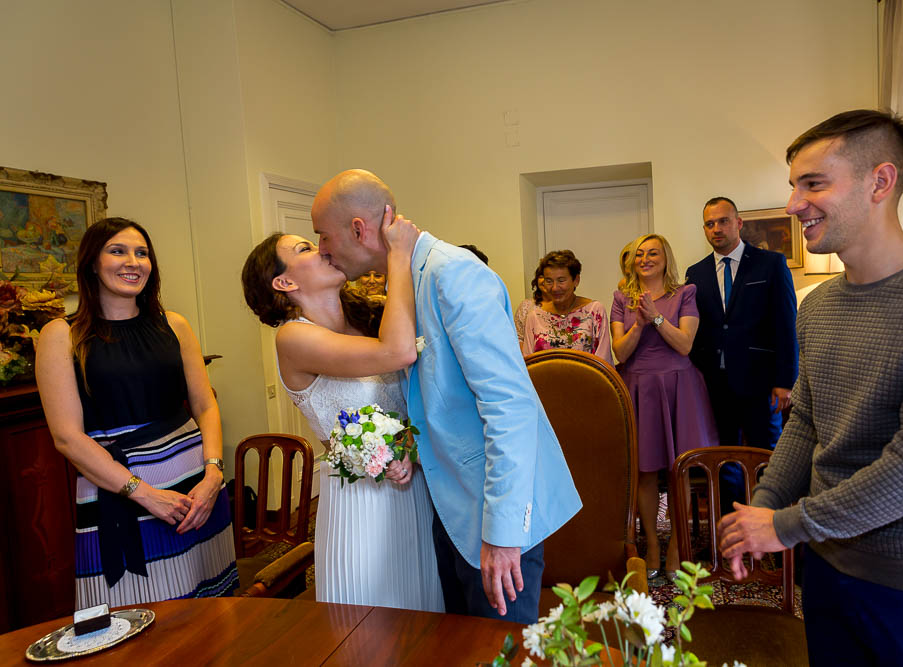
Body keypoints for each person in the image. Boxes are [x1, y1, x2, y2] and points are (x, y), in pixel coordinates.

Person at [718, 110, 903, 665]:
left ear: (880, 181)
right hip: (828, 571)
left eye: (814, 183)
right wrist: (765, 508)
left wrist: (784, 524)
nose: (794, 203)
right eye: (793, 185)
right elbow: (807, 421)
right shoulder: (817, 307)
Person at [312, 169, 581, 624]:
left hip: (494, 516)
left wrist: (500, 534)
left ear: (358, 229)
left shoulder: (453, 273)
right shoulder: (406, 278)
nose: (321, 249)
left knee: (499, 651)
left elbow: (508, 406)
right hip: (451, 507)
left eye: (321, 236)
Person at [240, 210, 444, 612]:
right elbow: (398, 353)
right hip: (359, 505)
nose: (322, 249)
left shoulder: (368, 318)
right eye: (305, 248)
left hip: (411, 488)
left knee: (422, 615)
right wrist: (397, 257)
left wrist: (409, 448)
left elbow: (414, 399)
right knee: (370, 624)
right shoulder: (294, 338)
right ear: (285, 282)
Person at [35, 217, 237, 607]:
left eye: (142, 253)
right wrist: (144, 494)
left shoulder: (173, 324)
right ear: (92, 263)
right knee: (137, 618)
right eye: (118, 251)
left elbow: (204, 404)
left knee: (213, 605)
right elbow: (67, 437)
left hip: (198, 488)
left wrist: (214, 472)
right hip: (121, 493)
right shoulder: (61, 335)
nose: (133, 262)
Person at [610, 233, 718, 578]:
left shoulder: (685, 294)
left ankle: (676, 548)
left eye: (653, 253)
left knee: (678, 471)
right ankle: (652, 548)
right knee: (644, 472)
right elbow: (620, 352)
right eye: (639, 253)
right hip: (639, 387)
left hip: (678, 389)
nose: (645, 259)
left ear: (665, 258)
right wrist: (639, 325)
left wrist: (656, 316)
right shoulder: (619, 299)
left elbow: (685, 344)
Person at [685, 196, 798, 510]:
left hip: (761, 382)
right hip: (714, 384)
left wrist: (785, 380)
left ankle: (772, 526)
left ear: (738, 223)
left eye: (722, 221)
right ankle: (731, 527)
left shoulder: (770, 264)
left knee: (767, 456)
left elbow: (786, 324)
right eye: (709, 223)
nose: (716, 229)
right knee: (723, 458)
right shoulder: (696, 273)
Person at [520, 250, 612, 365]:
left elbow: (604, 361)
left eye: (561, 280)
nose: (554, 288)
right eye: (549, 281)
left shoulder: (594, 311)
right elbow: (529, 363)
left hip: (588, 381)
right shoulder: (534, 317)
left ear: (576, 280)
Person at [514, 266, 549, 346]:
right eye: (541, 276)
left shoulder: (566, 307)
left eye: (549, 278)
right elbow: (518, 337)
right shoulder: (526, 306)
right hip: (531, 356)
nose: (545, 281)